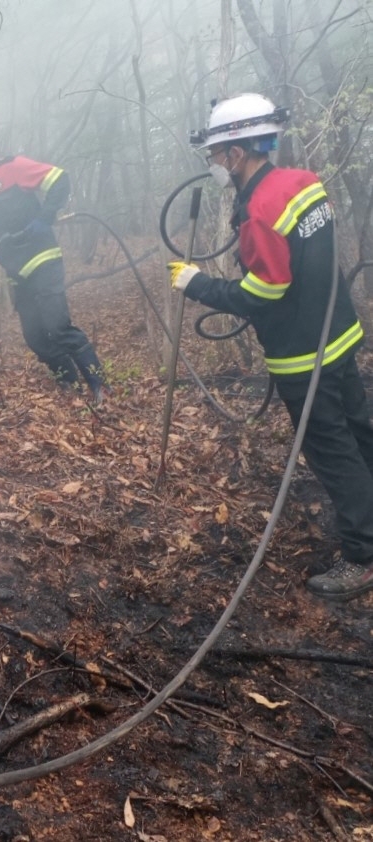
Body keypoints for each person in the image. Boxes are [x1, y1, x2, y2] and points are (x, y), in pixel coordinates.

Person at [168, 92, 373, 602]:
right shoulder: (303, 182)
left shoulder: (259, 210)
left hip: (304, 356)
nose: (215, 164)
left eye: (217, 155)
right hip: (340, 336)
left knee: (334, 453)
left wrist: (197, 284)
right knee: (359, 432)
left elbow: (263, 292)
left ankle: (363, 556)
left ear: (237, 153)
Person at [0, 123, 110, 404]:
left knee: (58, 327)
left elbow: (59, 180)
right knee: (36, 338)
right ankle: (68, 381)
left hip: (43, 260)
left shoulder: (12, 168)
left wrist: (45, 217)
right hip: (18, 273)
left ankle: (100, 385)